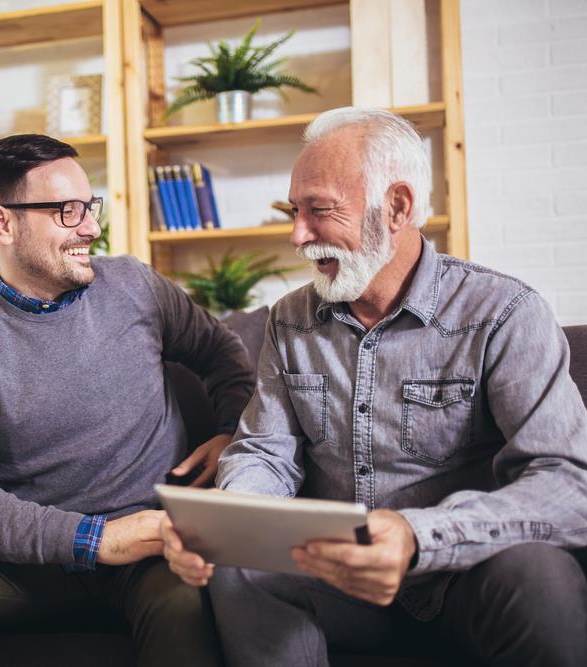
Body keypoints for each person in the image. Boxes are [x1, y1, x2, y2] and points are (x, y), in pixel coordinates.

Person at [162, 107, 587, 666]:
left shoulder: (503, 313)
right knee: (238, 567)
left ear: (398, 207)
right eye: (296, 210)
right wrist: (230, 523)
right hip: (334, 584)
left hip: (462, 575)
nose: (297, 235)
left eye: (320, 211)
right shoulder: (291, 319)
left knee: (537, 571)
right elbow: (265, 451)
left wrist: (417, 537)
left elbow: (566, 485)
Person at [0, 134, 255, 667]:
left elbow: (223, 352)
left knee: (190, 597)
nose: (91, 227)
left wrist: (231, 432)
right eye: (67, 211)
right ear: (2, 223)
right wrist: (95, 538)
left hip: (151, 548)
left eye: (89, 205)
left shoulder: (135, 287)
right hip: (27, 559)